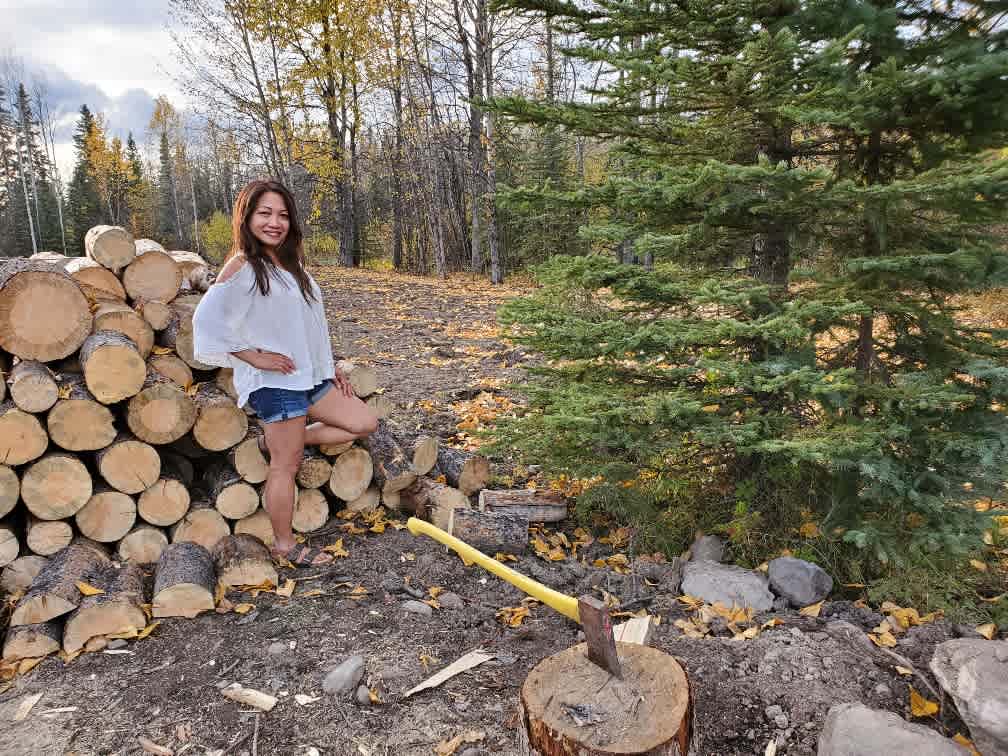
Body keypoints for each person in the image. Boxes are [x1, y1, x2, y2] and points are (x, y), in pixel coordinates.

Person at [193, 179, 378, 566]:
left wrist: (330, 370)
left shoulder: (292, 265)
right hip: (275, 384)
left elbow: (312, 325)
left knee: (364, 421)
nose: (274, 222)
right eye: (265, 213)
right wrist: (254, 356)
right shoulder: (243, 265)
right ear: (247, 218)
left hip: (309, 376)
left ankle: (276, 441)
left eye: (282, 215)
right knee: (287, 466)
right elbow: (206, 319)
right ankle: (284, 545)